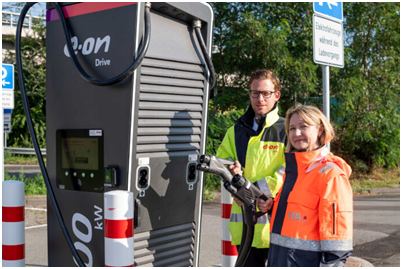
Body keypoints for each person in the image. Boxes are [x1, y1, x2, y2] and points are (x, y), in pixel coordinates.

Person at [258, 104, 353, 267]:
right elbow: (297, 221)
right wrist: (272, 207)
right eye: (292, 128)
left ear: (320, 130)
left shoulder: (331, 176)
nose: (297, 133)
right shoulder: (293, 171)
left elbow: (337, 246)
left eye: (303, 127)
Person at [216, 69, 287, 266]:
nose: (260, 98)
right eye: (255, 93)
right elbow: (222, 164)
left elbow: (287, 170)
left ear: (276, 96)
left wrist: (253, 193)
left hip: (277, 227)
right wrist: (233, 181)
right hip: (245, 228)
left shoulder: (287, 129)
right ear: (249, 94)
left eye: (266, 93)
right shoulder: (235, 130)